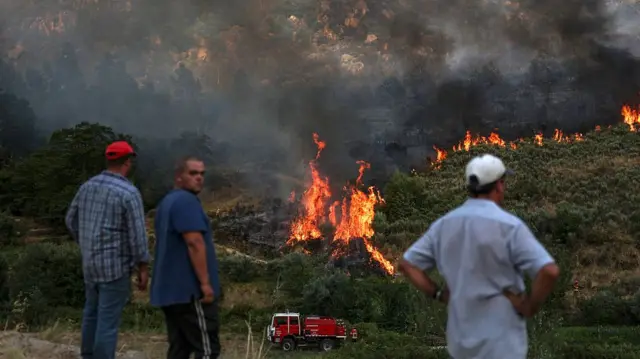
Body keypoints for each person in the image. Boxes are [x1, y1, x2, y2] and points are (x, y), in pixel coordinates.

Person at [398, 153, 560, 359]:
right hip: (502, 344)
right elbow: (549, 271)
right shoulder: (509, 226)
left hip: (461, 344)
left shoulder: (444, 225)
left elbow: (407, 264)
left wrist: (438, 294)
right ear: (499, 186)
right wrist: (530, 306)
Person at [65, 140, 150, 359]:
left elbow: (70, 220)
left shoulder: (87, 186)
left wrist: (86, 243)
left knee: (91, 313)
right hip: (115, 268)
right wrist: (142, 267)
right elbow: (138, 236)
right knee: (108, 321)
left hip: (90, 265)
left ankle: (87, 355)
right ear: (127, 162)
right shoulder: (129, 193)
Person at [150, 156, 222, 359]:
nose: (199, 178)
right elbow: (194, 242)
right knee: (207, 350)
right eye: (193, 173)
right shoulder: (186, 201)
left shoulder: (167, 202)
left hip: (170, 293)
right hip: (191, 292)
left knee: (180, 349)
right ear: (179, 176)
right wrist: (205, 284)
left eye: (202, 174)